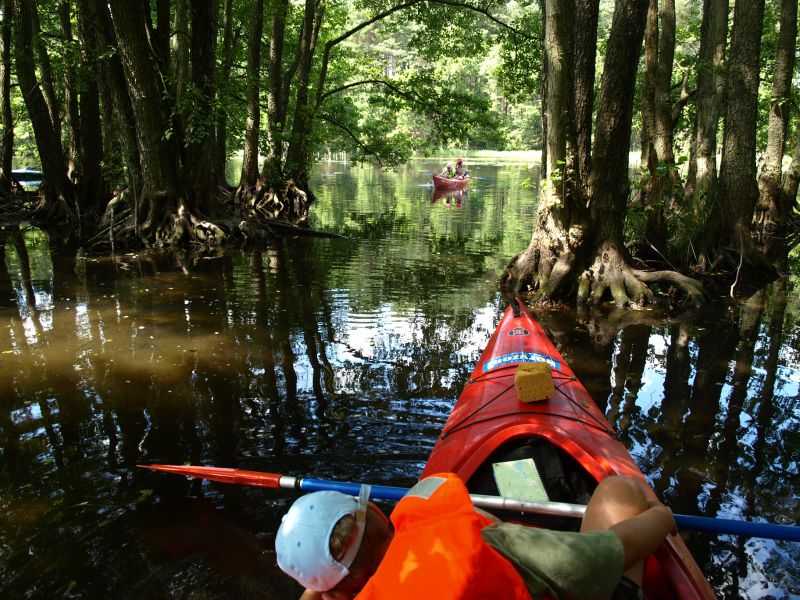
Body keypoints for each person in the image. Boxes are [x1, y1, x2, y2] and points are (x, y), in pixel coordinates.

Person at [275, 473, 677, 600]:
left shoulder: (335, 591)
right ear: (378, 514)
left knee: (478, 517)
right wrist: (661, 515)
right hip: (561, 572)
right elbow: (605, 555)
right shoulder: (484, 547)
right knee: (619, 492)